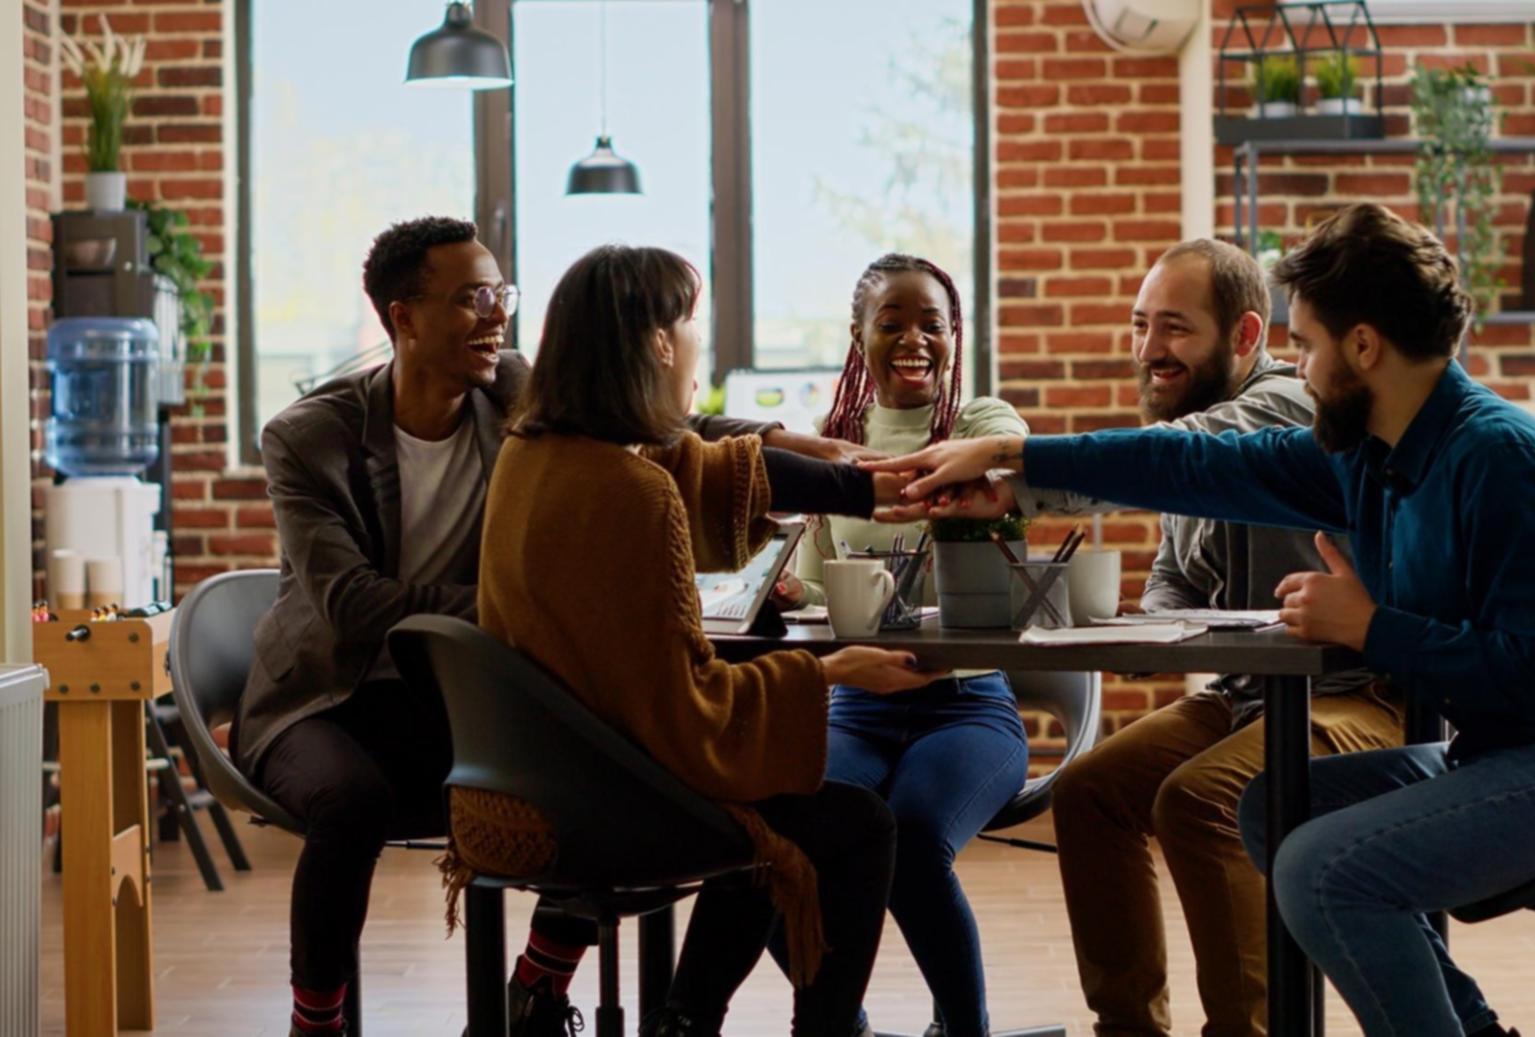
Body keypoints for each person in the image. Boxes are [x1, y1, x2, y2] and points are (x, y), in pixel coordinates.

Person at [869, 202, 1535, 1037]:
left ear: (1363, 347)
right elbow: (1193, 462)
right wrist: (1014, 466)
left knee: (1321, 867)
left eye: (1304, 345)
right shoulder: (1370, 453)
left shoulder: (1498, 460)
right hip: (1514, 748)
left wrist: (1370, 627)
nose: (1297, 370)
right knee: (1273, 809)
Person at [237, 217, 890, 1037]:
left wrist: (773, 440)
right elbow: (352, 604)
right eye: (472, 297)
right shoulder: (310, 435)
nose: (495, 315)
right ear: (402, 317)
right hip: (334, 686)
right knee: (353, 802)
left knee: (584, 731)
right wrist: (542, 600)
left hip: (460, 681)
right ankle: (317, 1019)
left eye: (501, 294)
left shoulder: (515, 390)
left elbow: (627, 415)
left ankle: (541, 982)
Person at [911, 238, 1402, 1037]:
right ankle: (1128, 1027)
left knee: (1200, 800)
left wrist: (1015, 465)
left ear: (1246, 336)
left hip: (1362, 694)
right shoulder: (1186, 426)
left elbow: (1185, 458)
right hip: (1253, 694)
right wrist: (1144, 617)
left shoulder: (1281, 408)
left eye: (1173, 328)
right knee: (1089, 790)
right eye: (1140, 325)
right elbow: (1173, 577)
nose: (1148, 350)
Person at [470, 243, 945, 1037]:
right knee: (852, 824)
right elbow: (687, 705)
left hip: (533, 776)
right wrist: (829, 672)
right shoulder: (634, 492)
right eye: (695, 323)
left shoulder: (534, 453)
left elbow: (702, 465)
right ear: (660, 343)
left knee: (773, 794)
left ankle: (685, 1020)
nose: (701, 344)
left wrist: (858, 480)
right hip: (603, 802)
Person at [773, 254, 1030, 1037]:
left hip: (967, 704)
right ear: (859, 336)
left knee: (914, 842)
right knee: (779, 839)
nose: (915, 338)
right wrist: (794, 592)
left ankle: (962, 1029)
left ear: (955, 337)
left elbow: (1013, 452)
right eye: (892, 323)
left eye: (933, 324)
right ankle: (840, 1021)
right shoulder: (829, 446)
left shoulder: (978, 421)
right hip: (855, 703)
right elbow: (823, 591)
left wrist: (906, 480)